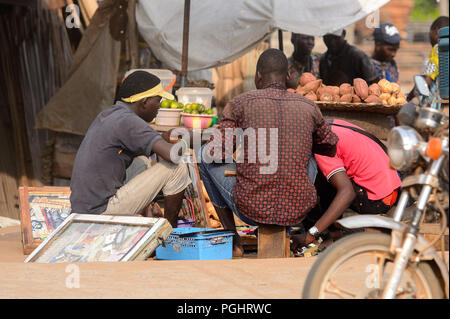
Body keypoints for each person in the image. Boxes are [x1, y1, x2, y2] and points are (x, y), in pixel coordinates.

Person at [198, 48, 338, 257]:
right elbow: (330, 146)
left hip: (251, 208)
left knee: (202, 154)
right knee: (311, 154)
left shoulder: (241, 103)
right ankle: (287, 231)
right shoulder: (309, 107)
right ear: (289, 77)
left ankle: (233, 238)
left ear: (258, 77)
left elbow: (216, 152)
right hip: (297, 210)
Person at [70, 71, 191, 228]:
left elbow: (143, 141)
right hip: (100, 212)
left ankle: (138, 223)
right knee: (177, 168)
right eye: (158, 101)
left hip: (83, 210)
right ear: (144, 102)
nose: (159, 106)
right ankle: (169, 233)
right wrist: (188, 140)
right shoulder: (128, 121)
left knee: (141, 161)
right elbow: (172, 155)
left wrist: (161, 138)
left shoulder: (110, 114)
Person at [290, 119, 401, 250]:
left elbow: (347, 192)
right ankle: (334, 234)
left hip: (379, 199)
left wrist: (311, 234)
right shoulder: (330, 125)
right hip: (391, 186)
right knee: (329, 176)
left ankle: (324, 234)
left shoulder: (323, 145)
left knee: (321, 179)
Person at [408, 16, 449, 108]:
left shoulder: (439, 49)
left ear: (437, 31)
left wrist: (409, 97)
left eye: (430, 32)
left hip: (436, 106)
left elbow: (427, 79)